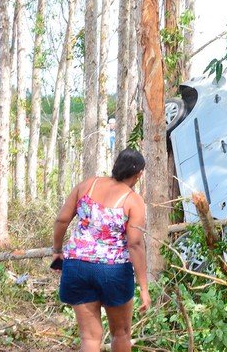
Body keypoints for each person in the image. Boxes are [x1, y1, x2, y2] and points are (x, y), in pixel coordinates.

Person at [52, 148, 151, 352]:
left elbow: (62, 219)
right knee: (121, 333)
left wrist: (57, 250)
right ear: (139, 174)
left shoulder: (88, 184)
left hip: (77, 266)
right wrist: (144, 287)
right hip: (113, 271)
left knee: (89, 338)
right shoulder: (133, 201)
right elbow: (134, 244)